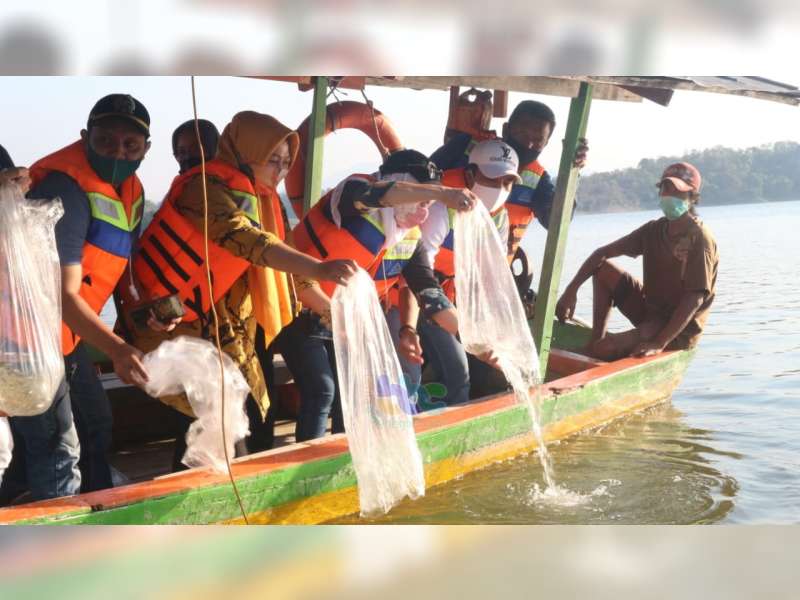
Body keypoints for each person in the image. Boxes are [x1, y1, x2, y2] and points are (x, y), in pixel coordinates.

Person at [122, 111, 355, 465]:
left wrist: (332, 312)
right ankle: (190, 509)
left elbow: (292, 270)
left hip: (233, 327)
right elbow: (247, 239)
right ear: (245, 154)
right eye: (272, 160)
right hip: (183, 326)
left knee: (246, 419)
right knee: (203, 425)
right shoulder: (202, 188)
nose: (280, 170)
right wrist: (320, 266)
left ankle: (233, 500)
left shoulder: (266, 199)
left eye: (286, 162)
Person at [9, 94, 155, 500]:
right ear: (85, 137)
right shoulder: (64, 190)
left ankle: (96, 505)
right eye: (106, 141)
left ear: (146, 149)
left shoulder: (131, 191)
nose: (118, 152)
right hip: (27, 339)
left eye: (130, 145)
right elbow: (62, 293)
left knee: (94, 423)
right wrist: (119, 348)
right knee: (57, 448)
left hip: (67, 336)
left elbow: (117, 269)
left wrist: (141, 315)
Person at [280, 149, 479, 442]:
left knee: (352, 395)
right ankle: (305, 460)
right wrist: (444, 193)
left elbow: (429, 291)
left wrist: (477, 340)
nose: (422, 211)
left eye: (428, 204)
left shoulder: (410, 238)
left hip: (347, 326)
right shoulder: (351, 194)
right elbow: (374, 194)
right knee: (323, 390)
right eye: (419, 200)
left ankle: (343, 458)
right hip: (298, 311)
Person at [556, 162, 719, 360]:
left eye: (679, 192)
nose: (670, 196)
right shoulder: (653, 230)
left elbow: (695, 299)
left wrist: (659, 342)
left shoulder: (699, 238)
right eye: (666, 188)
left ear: (693, 198)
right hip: (652, 313)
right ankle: (594, 342)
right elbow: (602, 253)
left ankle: (598, 350)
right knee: (603, 269)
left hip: (678, 330)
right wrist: (570, 291)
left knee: (605, 350)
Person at [402, 139, 520, 406]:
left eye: (507, 182)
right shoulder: (442, 207)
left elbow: (493, 275)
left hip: (453, 297)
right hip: (418, 296)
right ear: (470, 174)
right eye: (493, 179)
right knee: (457, 370)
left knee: (458, 369)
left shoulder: (499, 217)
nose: (500, 189)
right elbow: (420, 272)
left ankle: (432, 411)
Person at [430, 99, 588, 260]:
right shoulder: (465, 147)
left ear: (546, 143)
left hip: (488, 276)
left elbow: (556, 224)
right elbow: (420, 180)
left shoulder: (537, 180)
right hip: (427, 269)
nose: (529, 144)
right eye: (522, 135)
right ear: (506, 130)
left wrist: (572, 174)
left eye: (538, 141)